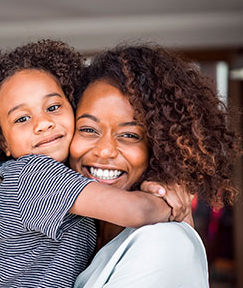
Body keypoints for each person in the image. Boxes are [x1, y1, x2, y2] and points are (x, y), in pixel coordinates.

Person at [0, 39, 188, 288]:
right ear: (4, 144)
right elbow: (138, 212)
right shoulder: (32, 174)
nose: (43, 123)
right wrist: (168, 202)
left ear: (72, 108)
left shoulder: (72, 182)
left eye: (53, 107)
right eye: (22, 118)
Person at [70, 43, 241, 287]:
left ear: (159, 148)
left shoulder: (164, 241)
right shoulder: (79, 237)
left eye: (129, 135)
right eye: (88, 129)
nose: (105, 150)